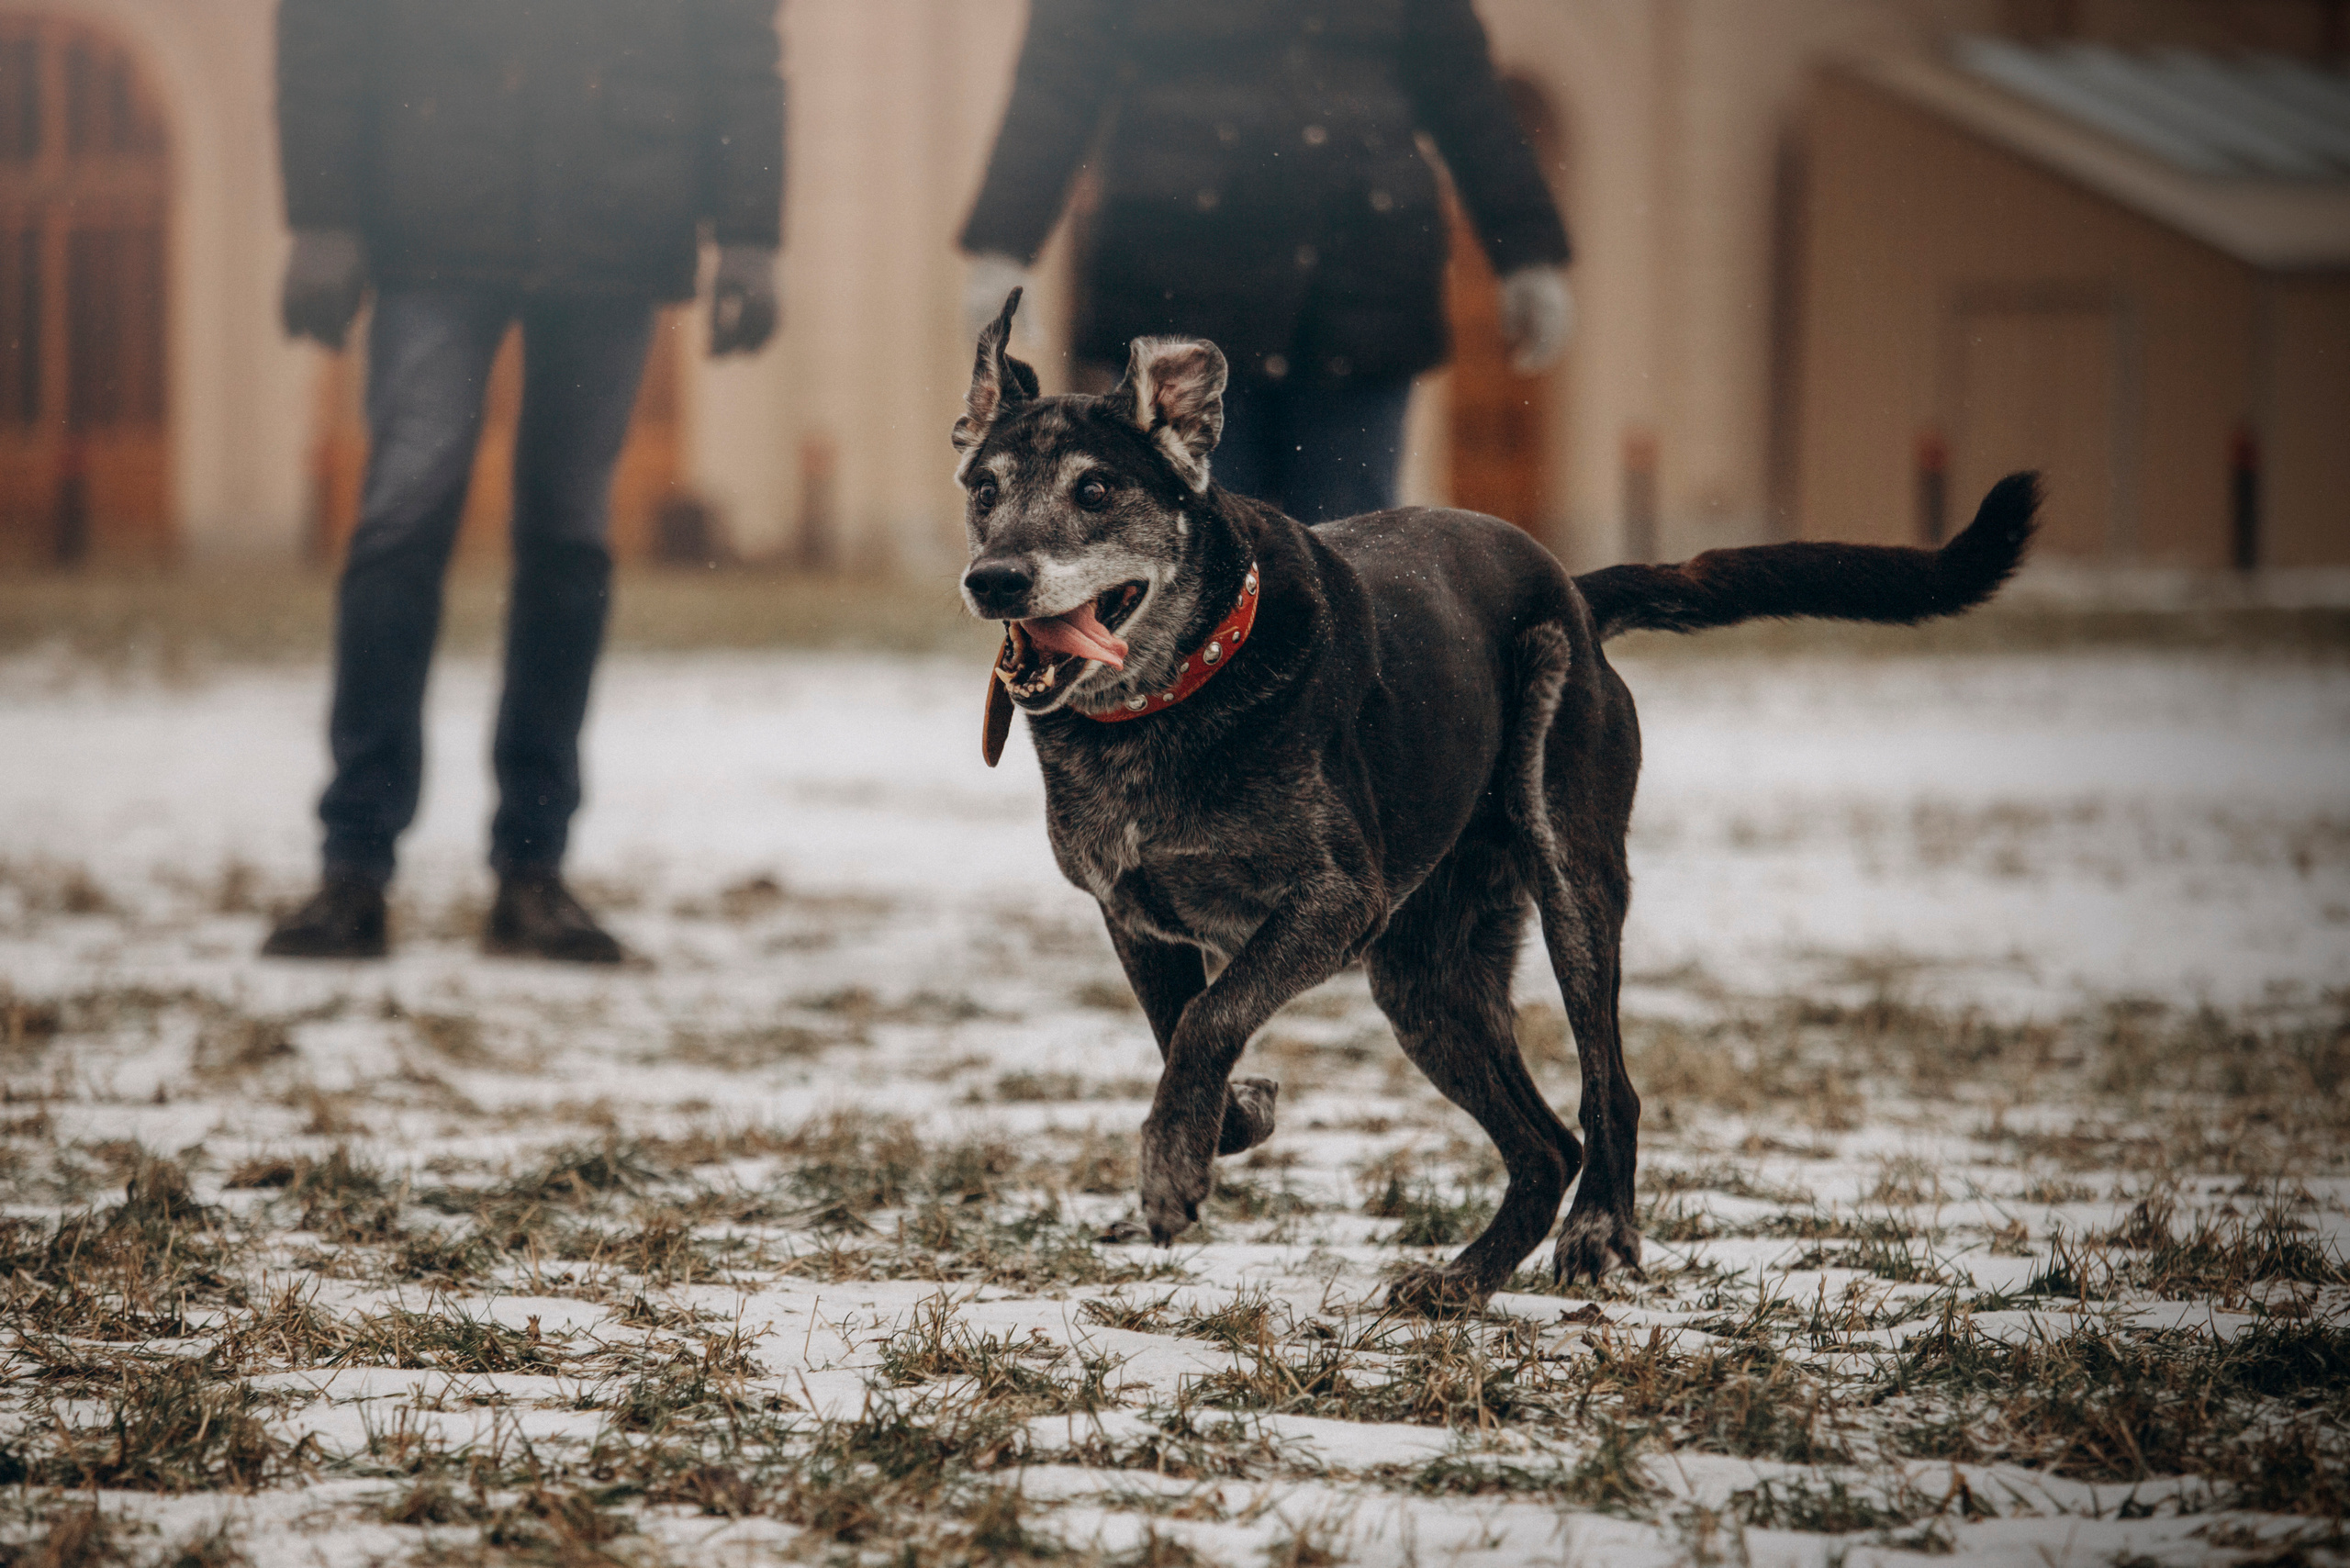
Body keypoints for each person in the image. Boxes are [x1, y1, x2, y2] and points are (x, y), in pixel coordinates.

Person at [263, 1, 784, 963]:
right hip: (430, 213)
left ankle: (533, 871)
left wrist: (750, 227)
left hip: (613, 222)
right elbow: (325, 23)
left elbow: (738, 34)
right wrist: (322, 212)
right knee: (399, 531)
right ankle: (354, 864)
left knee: (568, 541)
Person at [958, 0, 1572, 524]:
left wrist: (1527, 246)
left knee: (1349, 562)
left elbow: (1463, 87)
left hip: (1361, 288)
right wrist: (1004, 244)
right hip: (1183, 288)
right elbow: (1060, 75)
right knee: (1199, 547)